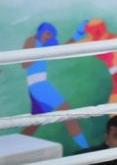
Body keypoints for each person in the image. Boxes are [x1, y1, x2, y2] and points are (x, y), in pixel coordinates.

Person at [22, 22, 89, 150]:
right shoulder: (32, 41)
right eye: (47, 33)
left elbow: (62, 49)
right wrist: (40, 51)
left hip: (38, 86)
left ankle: (12, 149)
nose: (48, 37)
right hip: (39, 86)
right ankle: (87, 149)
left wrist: (77, 34)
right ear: (41, 31)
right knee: (67, 114)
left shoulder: (42, 44)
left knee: (34, 124)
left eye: (50, 35)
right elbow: (24, 64)